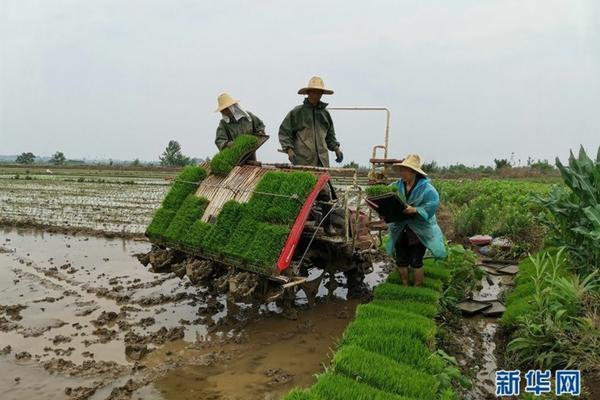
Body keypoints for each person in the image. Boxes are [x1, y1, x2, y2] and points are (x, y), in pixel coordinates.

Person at [384, 154, 447, 287]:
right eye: (401, 170)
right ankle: (405, 285)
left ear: (413, 172)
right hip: (401, 229)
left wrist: (416, 210)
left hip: (418, 229)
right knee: (401, 260)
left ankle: (417, 286)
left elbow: (432, 203)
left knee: (416, 260)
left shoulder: (426, 188)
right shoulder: (396, 185)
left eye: (404, 170)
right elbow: (386, 197)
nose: (401, 173)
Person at [278, 76, 343, 167]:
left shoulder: (325, 114)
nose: (317, 94)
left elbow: (330, 136)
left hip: (322, 161)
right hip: (303, 160)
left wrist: (337, 149)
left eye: (319, 92)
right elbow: (284, 132)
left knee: (323, 181)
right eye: (314, 91)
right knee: (304, 181)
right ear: (309, 92)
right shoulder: (297, 112)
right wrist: (289, 150)